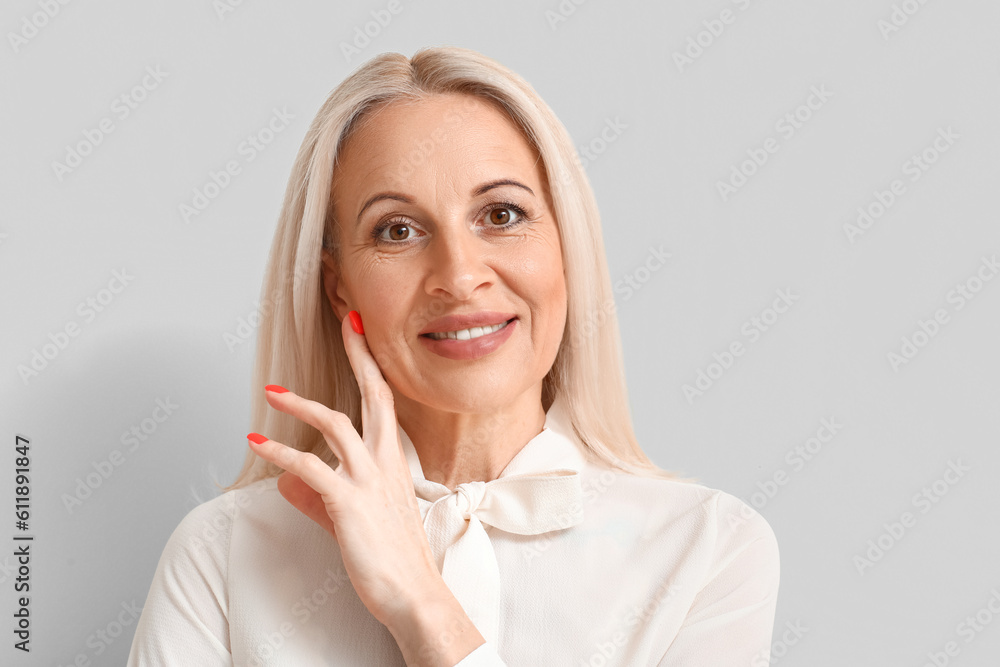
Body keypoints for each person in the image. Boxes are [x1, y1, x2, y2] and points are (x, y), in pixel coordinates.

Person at [127, 46, 780, 666]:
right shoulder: (224, 551)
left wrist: (421, 604)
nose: (461, 276)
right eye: (398, 230)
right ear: (338, 286)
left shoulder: (710, 550)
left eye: (501, 214)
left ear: (566, 248)